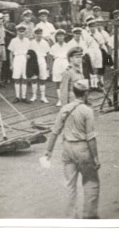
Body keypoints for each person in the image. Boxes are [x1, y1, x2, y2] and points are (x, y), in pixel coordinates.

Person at [44, 79, 100, 219]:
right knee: (91, 182)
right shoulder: (87, 111)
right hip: (83, 149)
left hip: (67, 148)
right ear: (86, 93)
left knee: (70, 185)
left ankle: (70, 218)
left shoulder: (65, 108)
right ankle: (89, 215)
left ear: (74, 93)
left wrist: (49, 151)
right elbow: (90, 137)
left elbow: (55, 131)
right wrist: (95, 157)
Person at [8, 24, 32, 102]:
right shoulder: (13, 40)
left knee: (25, 78)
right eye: (20, 31)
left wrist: (29, 56)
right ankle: (17, 97)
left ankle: (24, 97)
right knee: (17, 78)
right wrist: (11, 64)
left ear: (25, 32)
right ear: (17, 32)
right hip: (17, 59)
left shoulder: (27, 40)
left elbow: (30, 51)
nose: (21, 33)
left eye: (23, 31)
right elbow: (11, 53)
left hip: (25, 59)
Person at [29, 27, 51, 103]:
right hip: (33, 61)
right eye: (37, 33)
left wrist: (48, 64)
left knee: (42, 79)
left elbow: (48, 54)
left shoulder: (45, 42)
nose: (39, 35)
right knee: (34, 79)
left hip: (42, 60)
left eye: (40, 33)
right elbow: (28, 54)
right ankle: (34, 96)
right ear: (34, 34)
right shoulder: (31, 42)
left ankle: (43, 96)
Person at [49, 29, 69, 106]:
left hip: (65, 63)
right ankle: (60, 100)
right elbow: (50, 57)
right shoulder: (53, 47)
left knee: (66, 81)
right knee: (58, 81)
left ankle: (66, 99)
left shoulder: (67, 45)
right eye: (58, 36)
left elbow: (70, 57)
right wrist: (50, 67)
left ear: (64, 36)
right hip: (57, 63)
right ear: (56, 37)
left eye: (62, 36)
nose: (60, 37)